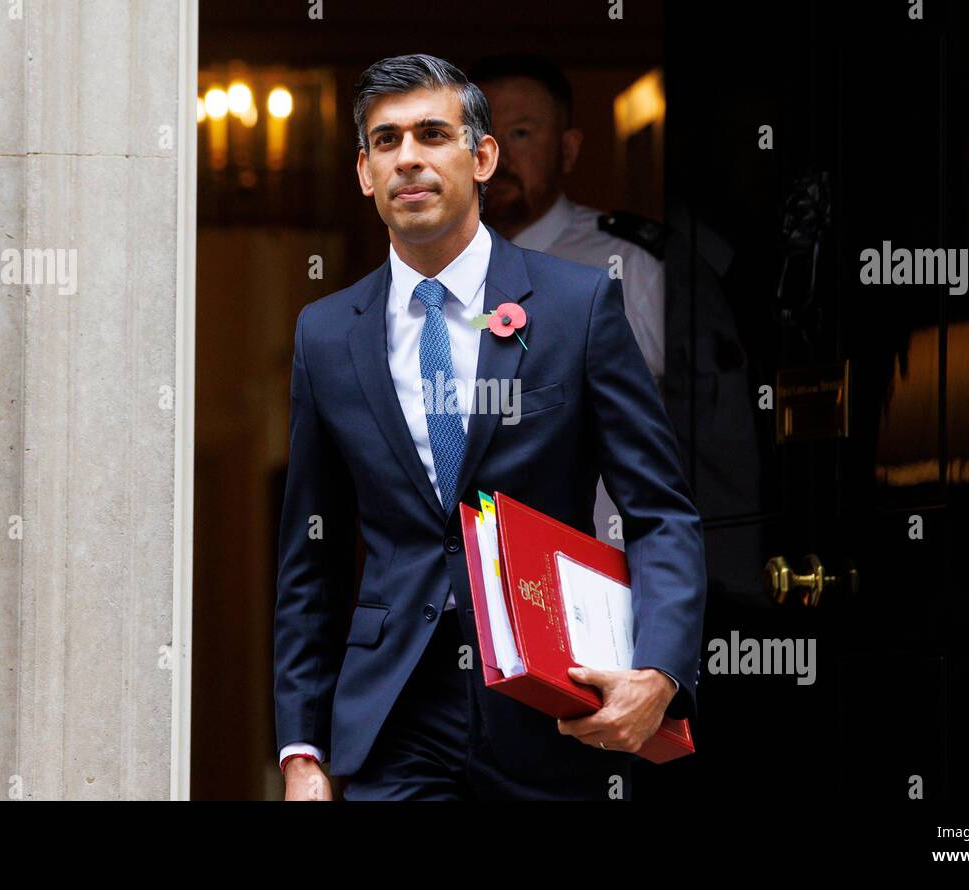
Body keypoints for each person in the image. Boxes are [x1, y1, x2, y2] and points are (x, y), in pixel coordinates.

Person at [273, 54, 706, 801]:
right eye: (385, 141)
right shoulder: (324, 335)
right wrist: (302, 749)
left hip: (553, 707)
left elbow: (661, 513)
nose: (408, 157)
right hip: (390, 720)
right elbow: (311, 558)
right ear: (365, 174)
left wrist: (658, 674)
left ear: (481, 157)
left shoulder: (577, 307)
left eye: (433, 134)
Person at [471, 53, 669, 552]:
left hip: (597, 572)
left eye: (521, 134)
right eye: (483, 136)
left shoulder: (628, 264)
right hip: (466, 583)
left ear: (568, 150)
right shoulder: (432, 272)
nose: (499, 155)